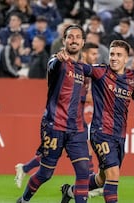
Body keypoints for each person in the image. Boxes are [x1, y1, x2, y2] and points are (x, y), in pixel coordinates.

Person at [59, 40, 134, 203]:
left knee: (102, 179)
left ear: (126, 59)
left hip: (120, 135)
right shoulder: (100, 72)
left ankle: (70, 191)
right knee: (114, 175)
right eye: (112, 54)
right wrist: (66, 57)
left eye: (119, 55)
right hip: (101, 132)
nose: (114, 58)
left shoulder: (133, 78)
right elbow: (81, 67)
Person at [16, 24, 90, 203]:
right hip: (54, 125)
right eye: (70, 37)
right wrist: (58, 59)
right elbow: (53, 66)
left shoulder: (85, 70)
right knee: (45, 173)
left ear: (83, 42)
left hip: (77, 129)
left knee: (83, 173)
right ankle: (24, 200)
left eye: (77, 37)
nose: (73, 40)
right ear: (64, 41)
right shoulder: (56, 61)